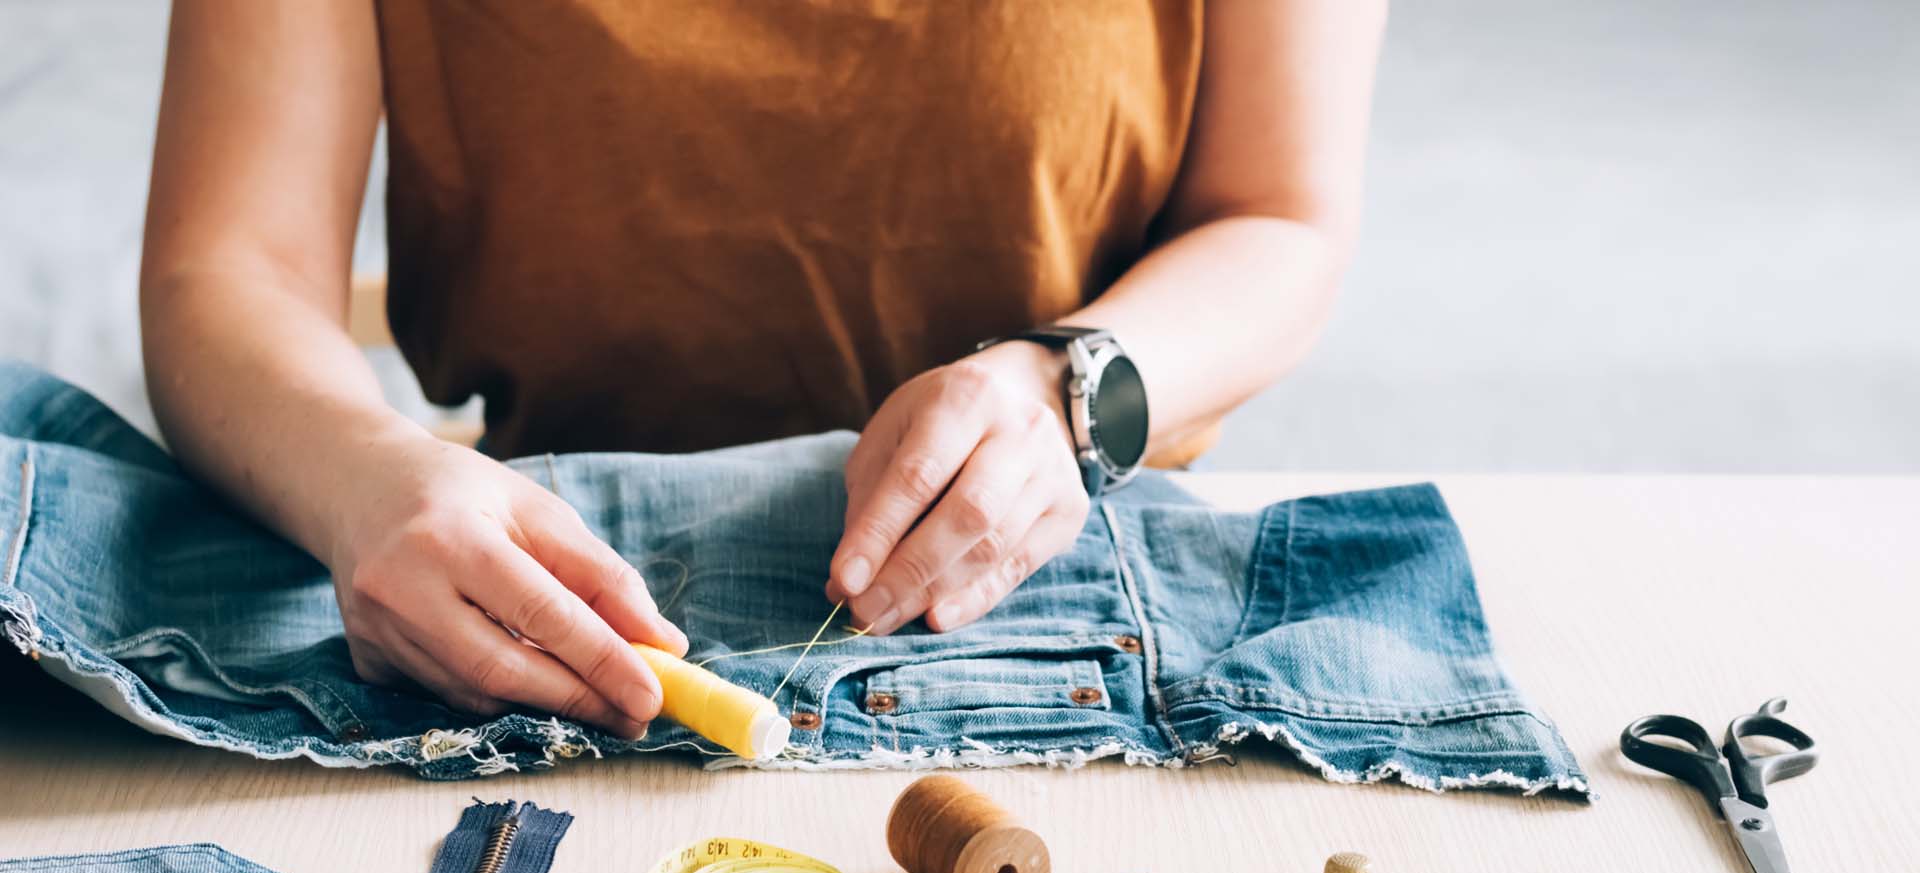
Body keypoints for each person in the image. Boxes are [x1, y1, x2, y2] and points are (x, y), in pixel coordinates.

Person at [138, 1, 1386, 740]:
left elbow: (1280, 218)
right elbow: (228, 267)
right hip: (529, 606)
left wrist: (1072, 393)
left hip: (1064, 585)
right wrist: (362, 479)